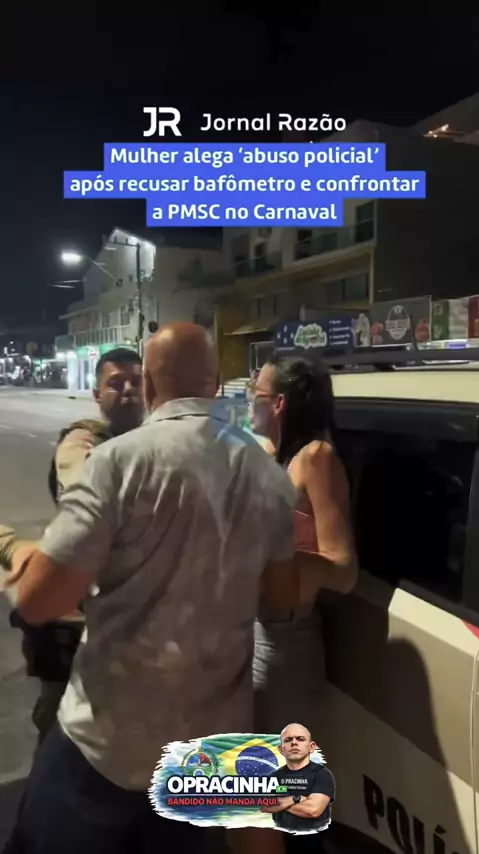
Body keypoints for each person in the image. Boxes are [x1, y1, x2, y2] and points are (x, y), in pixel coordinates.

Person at [5, 322, 298, 854]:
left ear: (149, 387)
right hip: (210, 749)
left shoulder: (116, 461)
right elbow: (282, 598)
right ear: (215, 384)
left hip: (109, 741)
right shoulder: (270, 475)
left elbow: (39, 600)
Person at [0, 346, 144, 749]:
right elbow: (88, 505)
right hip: (75, 626)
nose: (128, 390)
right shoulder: (82, 441)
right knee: (63, 734)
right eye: (115, 383)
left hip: (125, 628)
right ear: (97, 394)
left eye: (135, 381)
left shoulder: (148, 442)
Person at [249, 354, 358, 732]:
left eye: (256, 391)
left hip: (286, 639)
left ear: (278, 403)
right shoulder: (271, 456)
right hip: (253, 628)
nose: (249, 399)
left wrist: (275, 559)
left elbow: (343, 570)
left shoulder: (316, 458)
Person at [260, 723, 335, 834]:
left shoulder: (322, 774)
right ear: (281, 749)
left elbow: (313, 810)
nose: (294, 743)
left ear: (311, 747)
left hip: (315, 838)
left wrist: (279, 803)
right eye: (288, 740)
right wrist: (297, 798)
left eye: (300, 739)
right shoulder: (274, 777)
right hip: (282, 837)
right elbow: (264, 805)